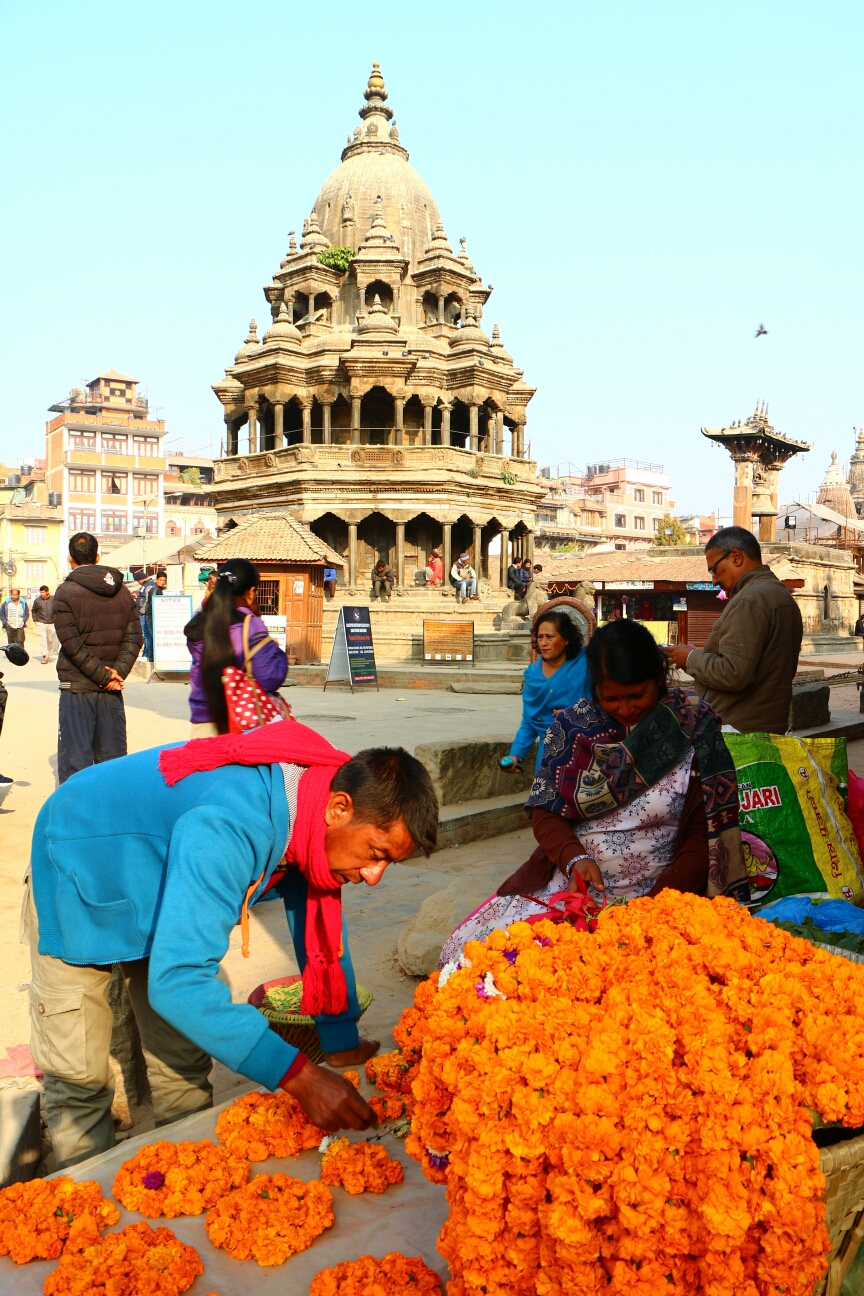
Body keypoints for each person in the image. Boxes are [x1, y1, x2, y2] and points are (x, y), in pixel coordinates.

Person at [25, 725, 439, 1167]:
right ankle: (82, 1205)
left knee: (182, 1064)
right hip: (79, 860)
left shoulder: (318, 794)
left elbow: (316, 927)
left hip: (161, 875)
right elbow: (178, 983)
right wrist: (298, 1076)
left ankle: (188, 1179)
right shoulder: (229, 825)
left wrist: (337, 1037)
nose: (375, 877)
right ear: (339, 808)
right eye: (376, 854)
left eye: (388, 863)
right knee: (80, 1079)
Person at [440, 619, 749, 964]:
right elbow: (545, 811)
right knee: (473, 960)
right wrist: (575, 858)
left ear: (659, 677)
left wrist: (653, 908)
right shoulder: (572, 728)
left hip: (665, 891)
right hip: (576, 885)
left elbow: (701, 835)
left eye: (638, 694)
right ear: (595, 689)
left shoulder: (694, 725)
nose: (627, 708)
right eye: (611, 698)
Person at [664, 526, 803, 733]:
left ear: (736, 557)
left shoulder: (750, 599)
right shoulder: (778, 594)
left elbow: (733, 673)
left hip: (739, 733)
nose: (714, 580)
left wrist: (691, 657)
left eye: (714, 570)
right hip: (764, 729)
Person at [52, 532, 143, 785]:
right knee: (113, 764)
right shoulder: (122, 591)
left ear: (70, 558)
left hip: (78, 688)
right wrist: (115, 675)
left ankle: (76, 820)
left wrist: (105, 676)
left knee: (75, 764)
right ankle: (110, 820)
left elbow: (72, 645)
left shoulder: (65, 592)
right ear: (98, 556)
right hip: (111, 690)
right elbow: (135, 638)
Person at [185, 559, 289, 737]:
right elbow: (270, 677)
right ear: (251, 592)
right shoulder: (251, 626)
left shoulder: (199, 622)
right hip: (242, 726)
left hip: (202, 725)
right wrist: (275, 650)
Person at [499, 611, 591, 773]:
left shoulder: (585, 667)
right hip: (548, 755)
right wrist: (516, 755)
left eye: (550, 637)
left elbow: (603, 705)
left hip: (585, 749)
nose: (543, 643)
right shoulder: (532, 674)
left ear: (566, 639)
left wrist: (574, 714)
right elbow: (529, 720)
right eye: (540, 637)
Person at [138, 571, 167, 661]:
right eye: (161, 580)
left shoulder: (157, 589)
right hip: (151, 616)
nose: (162, 582)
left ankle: (149, 655)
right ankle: (150, 656)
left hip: (152, 616)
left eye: (164, 580)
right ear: (156, 580)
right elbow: (154, 604)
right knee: (150, 635)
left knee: (150, 636)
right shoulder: (155, 589)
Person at [32, 585, 56, 664]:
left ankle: (48, 655)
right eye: (41, 592)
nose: (41, 594)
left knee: (50, 640)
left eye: (43, 592)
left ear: (47, 592)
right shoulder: (37, 600)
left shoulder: (53, 599)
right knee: (43, 639)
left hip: (52, 622)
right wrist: (35, 620)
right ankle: (45, 656)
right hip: (41, 622)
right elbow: (34, 610)